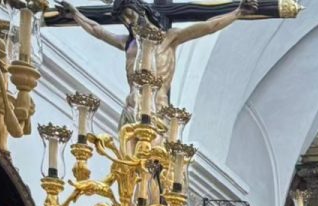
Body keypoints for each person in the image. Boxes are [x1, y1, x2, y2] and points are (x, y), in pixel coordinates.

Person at [57, 0, 257, 123]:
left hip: (159, 110)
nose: (129, 22)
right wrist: (75, 15)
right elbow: (96, 30)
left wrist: (237, 13)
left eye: (130, 15)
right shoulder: (128, 44)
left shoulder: (170, 38)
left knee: (156, 173)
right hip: (131, 110)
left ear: (141, 11)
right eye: (124, 20)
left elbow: (209, 26)